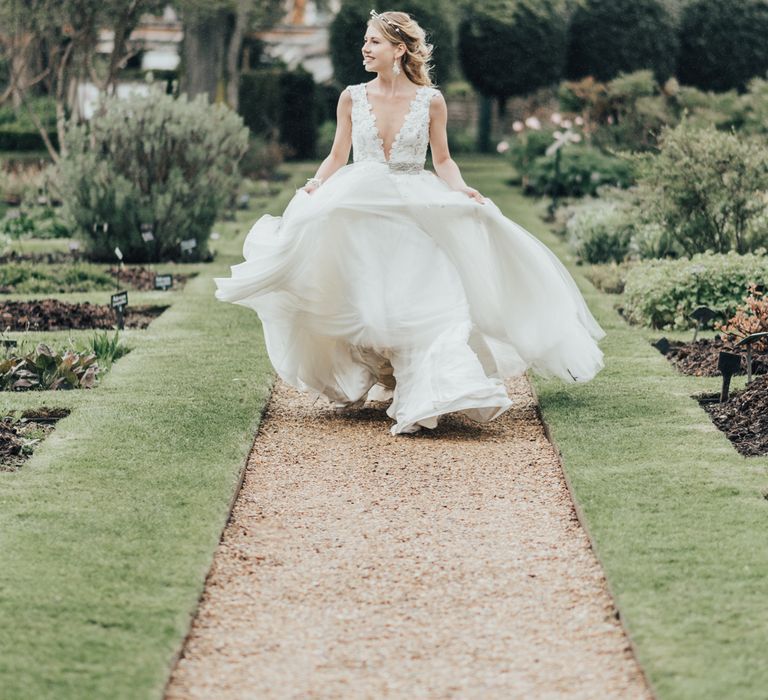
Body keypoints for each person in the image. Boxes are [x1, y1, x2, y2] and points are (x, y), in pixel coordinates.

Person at [214, 9, 606, 436]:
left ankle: (429, 383)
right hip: (359, 201)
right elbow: (336, 153)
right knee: (362, 295)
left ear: (399, 49)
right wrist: (314, 185)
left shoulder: (431, 101)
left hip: (412, 201)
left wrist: (461, 191)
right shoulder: (350, 96)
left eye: (374, 42)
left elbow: (443, 160)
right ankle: (385, 375)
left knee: (421, 294)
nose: (364, 48)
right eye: (365, 41)